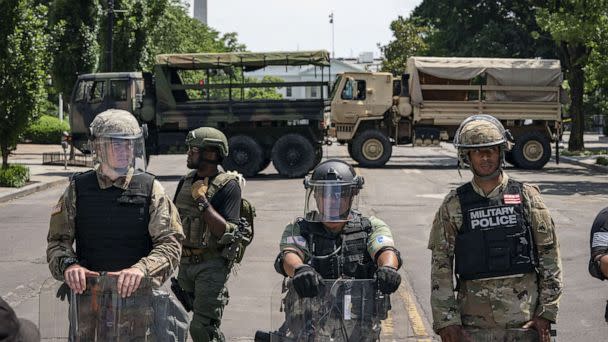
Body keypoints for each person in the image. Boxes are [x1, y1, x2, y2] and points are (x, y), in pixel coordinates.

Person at [46, 109, 186, 340]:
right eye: (117, 144)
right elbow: (57, 241)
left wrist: (141, 269)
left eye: (130, 144)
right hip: (87, 304)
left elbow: (171, 243)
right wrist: (69, 266)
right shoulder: (77, 189)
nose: (125, 151)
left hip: (137, 307)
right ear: (99, 147)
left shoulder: (150, 188)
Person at [428, 114, 563, 342]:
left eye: (491, 150)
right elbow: (441, 266)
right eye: (478, 151)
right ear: (467, 156)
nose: (486, 157)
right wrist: (446, 321)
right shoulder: (453, 205)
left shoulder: (527, 198)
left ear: (501, 152)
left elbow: (550, 256)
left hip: (524, 322)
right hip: (472, 327)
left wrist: (546, 313)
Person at [273, 159, 402, 340]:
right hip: (310, 329)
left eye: (339, 193)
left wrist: (388, 268)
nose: (331, 200)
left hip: (358, 329)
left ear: (352, 195)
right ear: (315, 195)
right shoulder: (299, 228)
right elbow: (290, 254)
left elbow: (384, 249)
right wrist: (300, 269)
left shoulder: (370, 227)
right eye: (324, 193)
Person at [173, 127, 244, 342]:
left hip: (211, 266)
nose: (188, 153)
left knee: (202, 329)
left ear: (211, 153)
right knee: (175, 323)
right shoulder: (185, 182)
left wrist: (203, 202)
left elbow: (226, 232)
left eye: (193, 149)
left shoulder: (228, 186)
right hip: (184, 265)